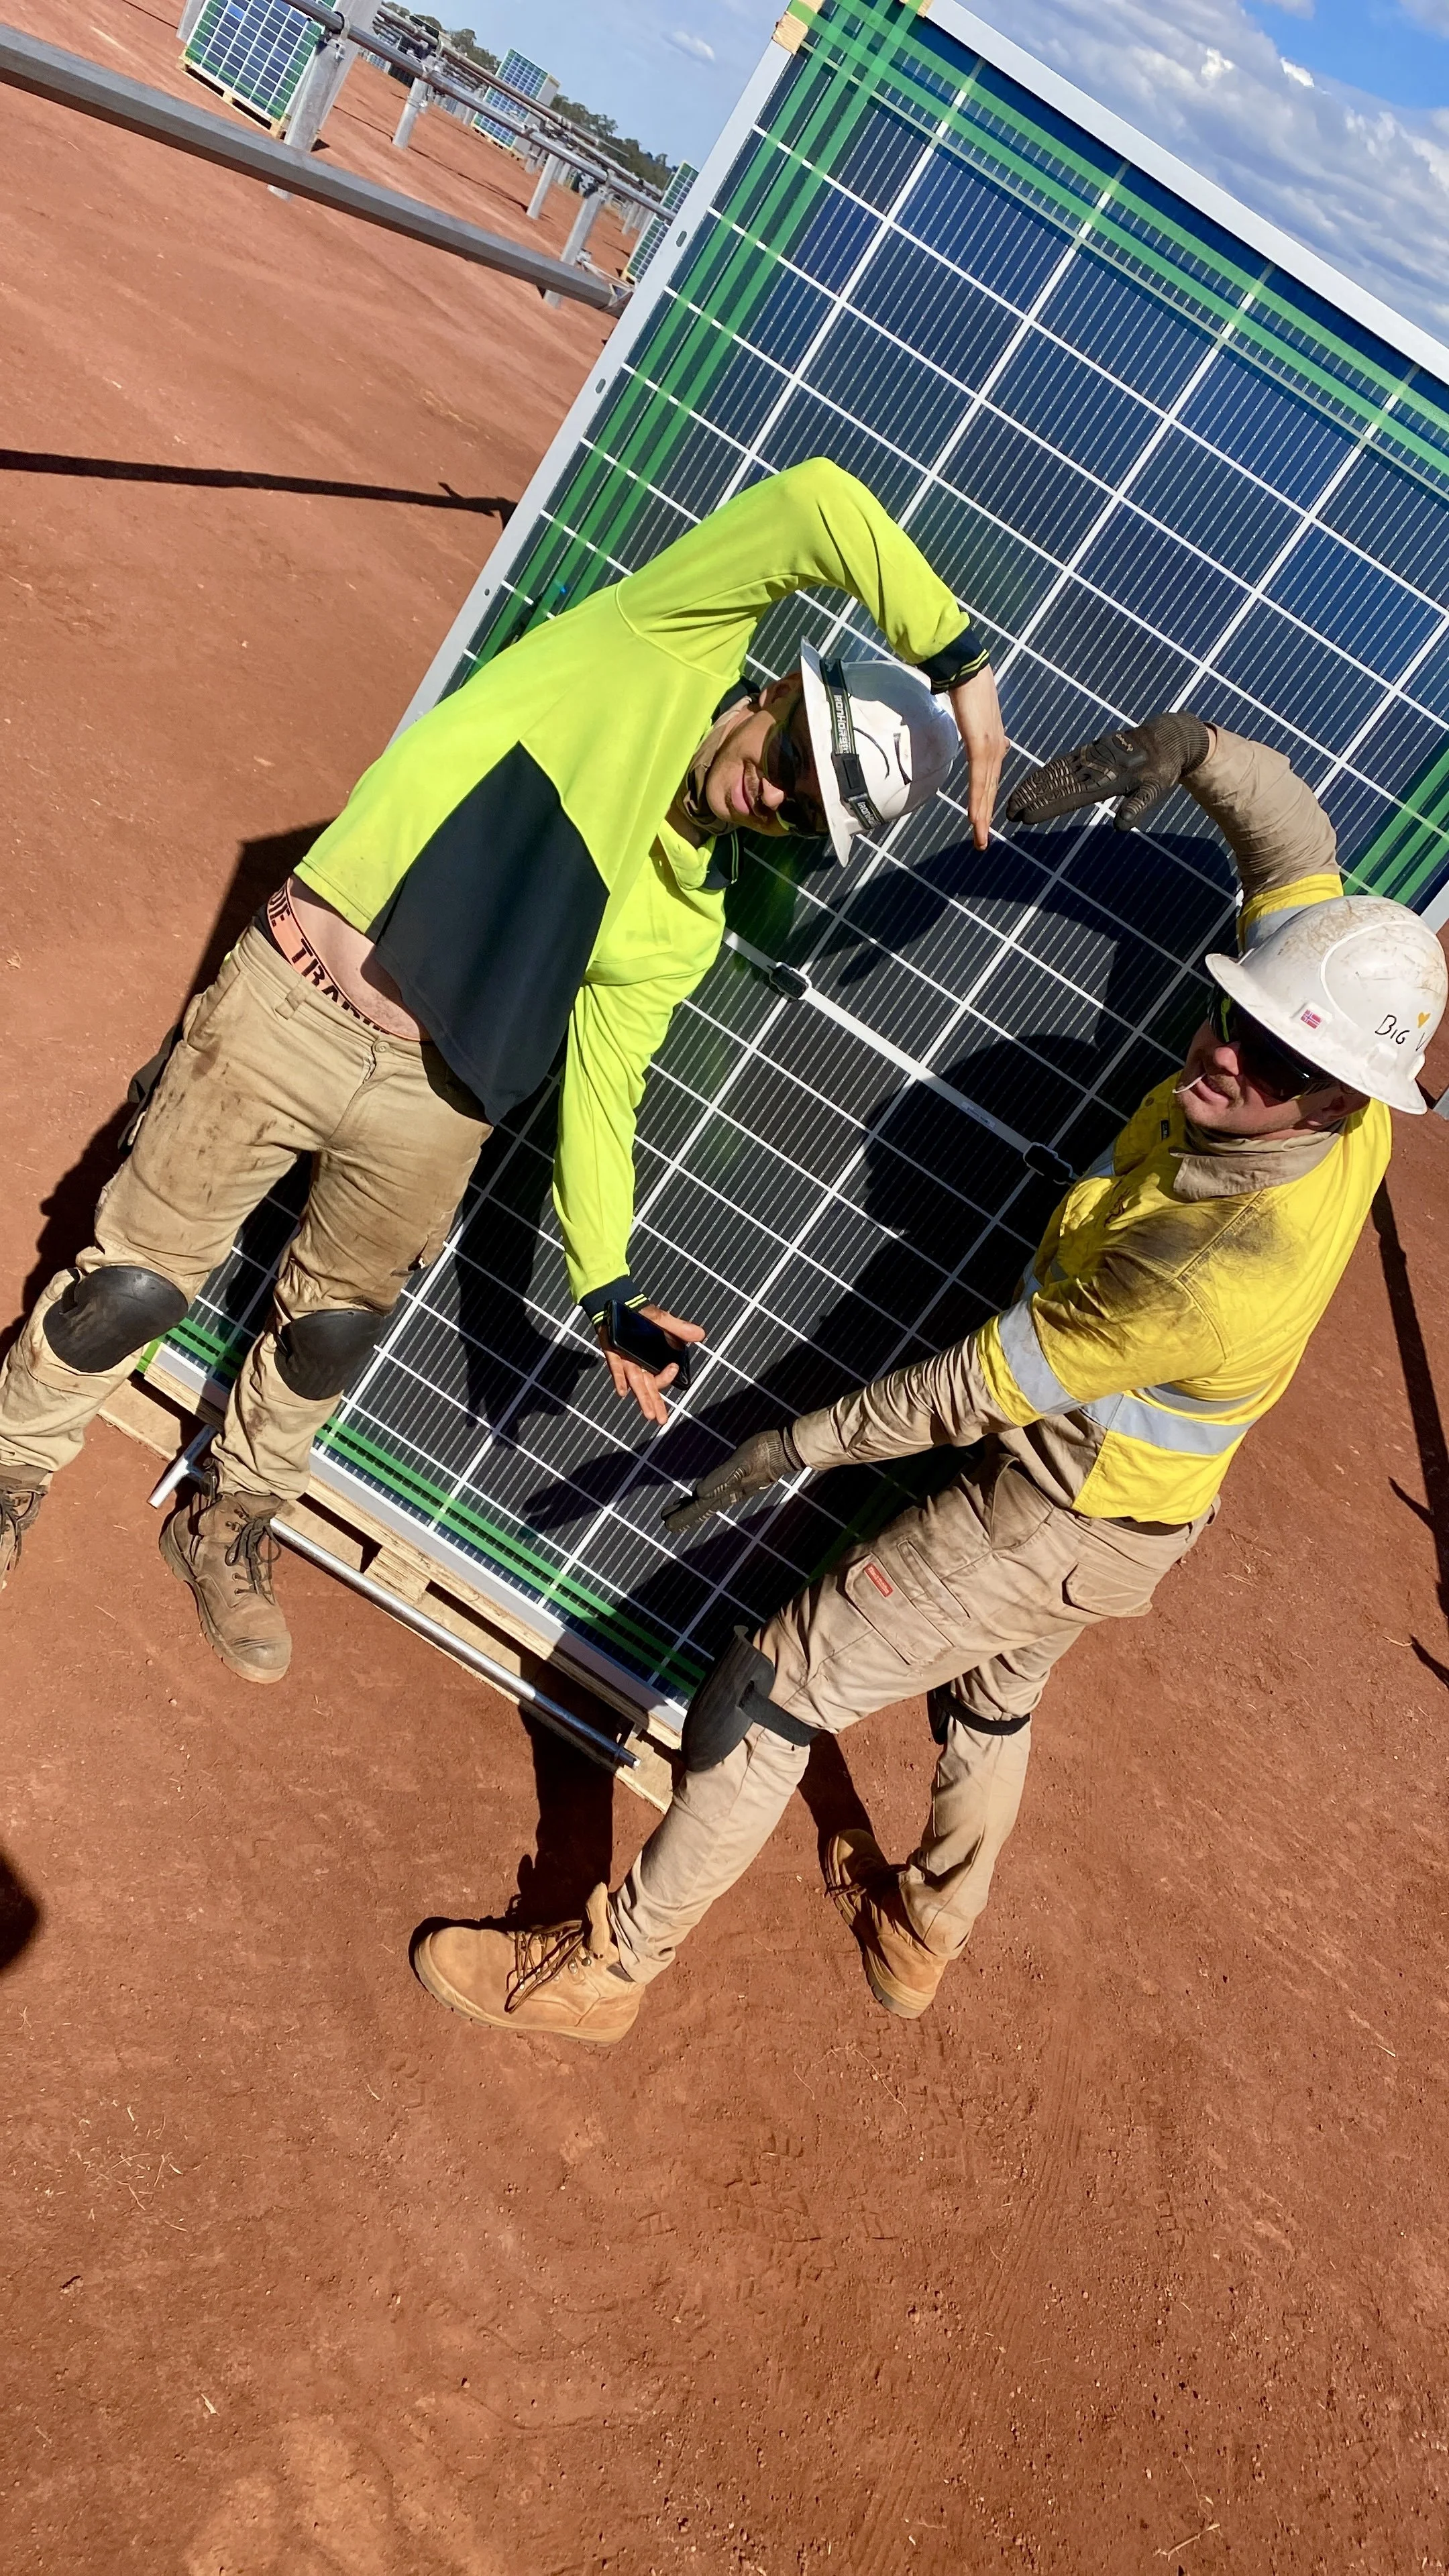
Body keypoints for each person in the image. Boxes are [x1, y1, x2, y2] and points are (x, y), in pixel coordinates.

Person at [411, 709, 1447, 2046]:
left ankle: (616, 1968)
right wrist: (1185, 754)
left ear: (1341, 1100)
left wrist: (787, 1449)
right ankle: (926, 1928)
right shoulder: (1324, 1058)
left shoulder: (1216, 1266)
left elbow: (966, 1389)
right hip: (1133, 1515)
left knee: (772, 1683)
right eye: (1237, 1013)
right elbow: (1294, 835)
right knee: (995, 1697)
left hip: (1053, 1508)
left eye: (1277, 1063)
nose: (1228, 1053)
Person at [0, 460, 1006, 1680]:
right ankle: (14, 1466)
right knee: (134, 1291)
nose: (782, 789)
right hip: (291, 1007)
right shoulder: (659, 643)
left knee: (330, 1334)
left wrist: (607, 1283)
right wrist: (960, 664)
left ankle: (230, 1520)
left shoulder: (687, 921)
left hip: (437, 1101)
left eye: (811, 809)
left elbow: (605, 1091)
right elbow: (817, 506)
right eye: (800, 751)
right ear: (776, 694)